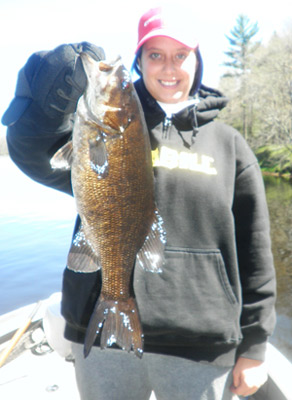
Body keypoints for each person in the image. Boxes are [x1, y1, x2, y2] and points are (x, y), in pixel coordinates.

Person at [2, 6, 276, 400]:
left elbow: (255, 253)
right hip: (102, 339)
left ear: (197, 61)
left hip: (200, 344)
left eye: (180, 55)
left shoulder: (231, 145)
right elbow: (34, 155)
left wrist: (254, 347)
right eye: (155, 55)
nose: (169, 66)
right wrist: (43, 103)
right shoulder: (102, 131)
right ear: (139, 61)